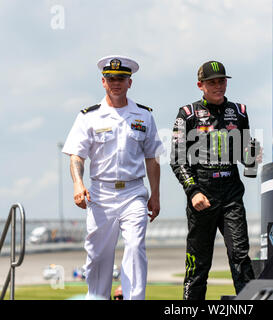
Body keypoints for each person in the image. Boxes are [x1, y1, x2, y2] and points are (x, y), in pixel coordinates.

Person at [62, 55, 164, 300]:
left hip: (133, 193)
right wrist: (78, 184)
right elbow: (76, 155)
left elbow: (153, 157)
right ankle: (97, 296)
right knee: (98, 254)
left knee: (135, 246)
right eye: (111, 78)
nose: (116, 82)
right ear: (103, 82)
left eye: (121, 78)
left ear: (130, 83)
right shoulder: (89, 116)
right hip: (101, 193)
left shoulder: (144, 116)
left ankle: (134, 298)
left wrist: (156, 195)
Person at [170, 60, 261, 300]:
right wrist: (193, 192)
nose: (218, 86)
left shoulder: (239, 111)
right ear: (200, 85)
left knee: (240, 255)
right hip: (203, 192)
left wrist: (252, 156)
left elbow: (245, 158)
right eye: (212, 82)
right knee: (198, 263)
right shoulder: (187, 114)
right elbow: (177, 159)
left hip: (231, 191)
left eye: (222, 81)